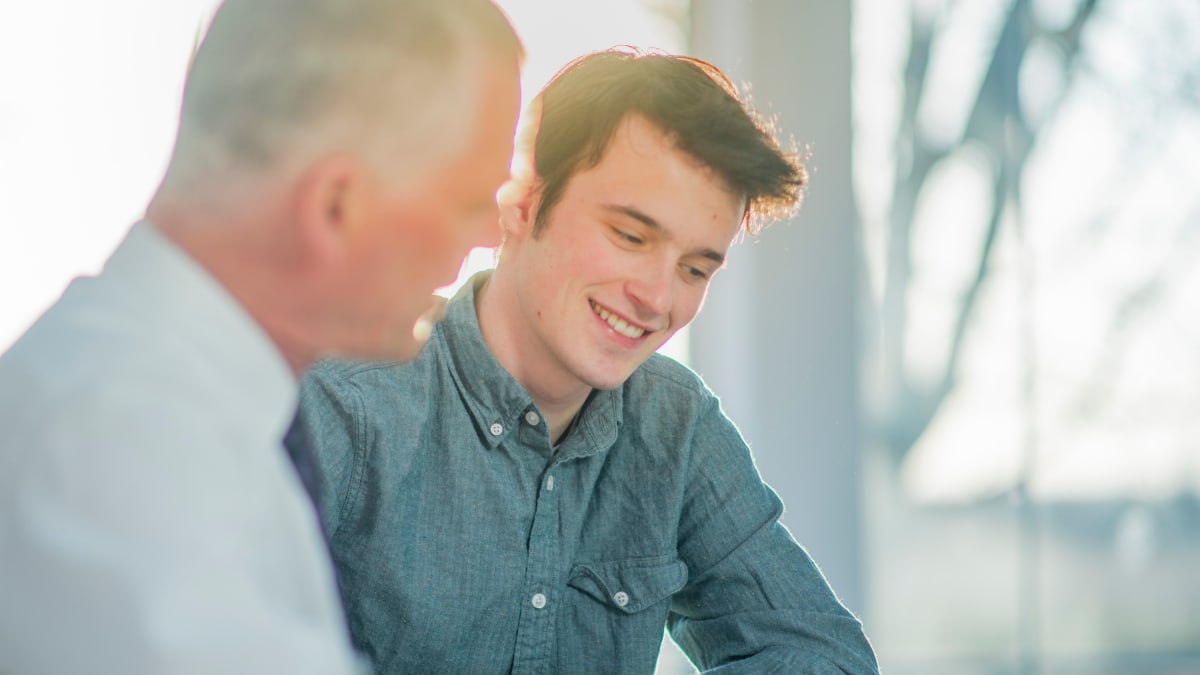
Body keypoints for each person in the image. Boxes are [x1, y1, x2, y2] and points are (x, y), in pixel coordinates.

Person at [298, 48, 880, 673]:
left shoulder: (675, 426)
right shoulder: (347, 399)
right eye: (630, 237)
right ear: (521, 202)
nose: (658, 298)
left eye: (693, 268)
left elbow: (826, 657)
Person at [0, 1, 522, 673]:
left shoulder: (158, 403)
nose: (488, 236)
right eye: (468, 200)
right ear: (336, 207)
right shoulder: (120, 453)